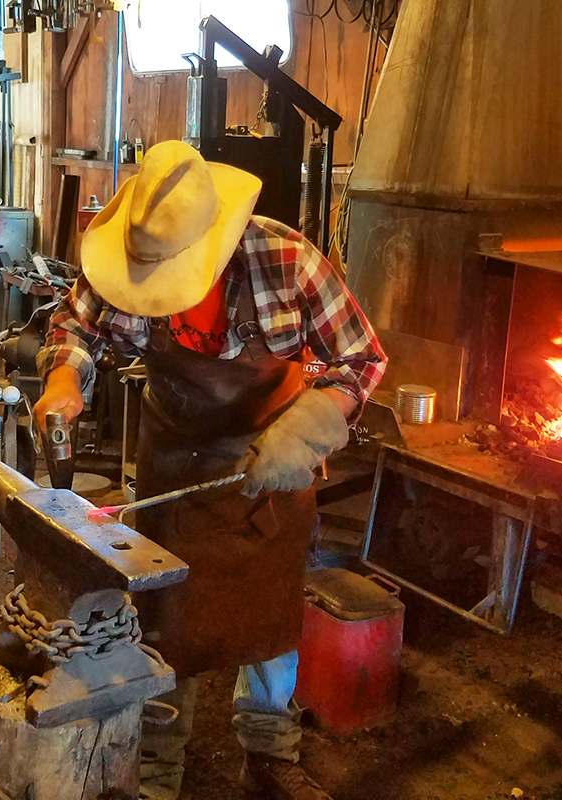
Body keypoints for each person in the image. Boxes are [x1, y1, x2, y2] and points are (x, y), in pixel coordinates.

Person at [34, 140, 387, 800]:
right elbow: (75, 327)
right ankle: (160, 760)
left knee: (270, 618)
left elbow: (360, 360)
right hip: (174, 455)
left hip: (271, 461)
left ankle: (270, 750)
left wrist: (309, 429)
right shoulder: (127, 265)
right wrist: (64, 380)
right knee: (167, 619)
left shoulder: (287, 262)